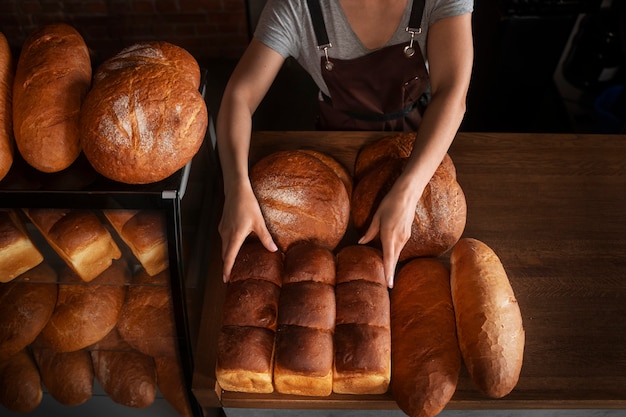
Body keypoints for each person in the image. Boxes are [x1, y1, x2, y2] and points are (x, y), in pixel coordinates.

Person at [217, 0, 474, 288]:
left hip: (420, 138)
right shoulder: (295, 6)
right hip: (332, 142)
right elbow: (239, 96)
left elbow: (452, 92)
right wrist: (235, 185)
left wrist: (408, 190)